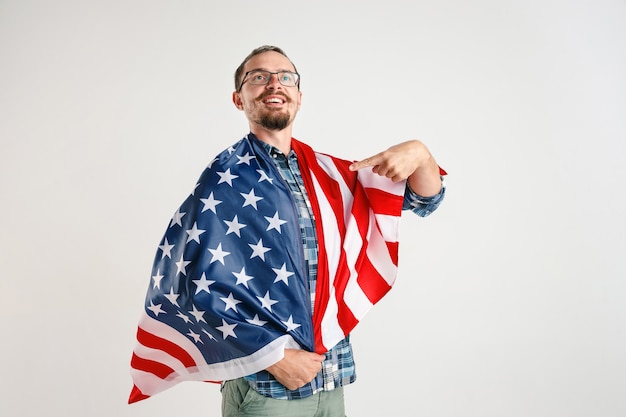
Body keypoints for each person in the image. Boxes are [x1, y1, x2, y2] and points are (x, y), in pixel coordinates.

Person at [128, 45, 446, 417]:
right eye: (258, 77)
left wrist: (421, 153)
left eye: (285, 77)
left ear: (299, 95)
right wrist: (273, 358)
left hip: (332, 381)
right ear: (238, 98)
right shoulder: (224, 180)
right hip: (267, 393)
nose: (273, 83)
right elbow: (189, 287)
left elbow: (424, 200)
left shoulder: (328, 175)